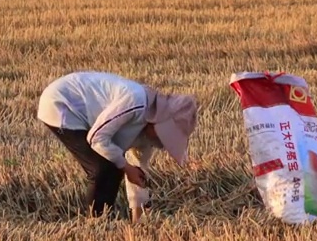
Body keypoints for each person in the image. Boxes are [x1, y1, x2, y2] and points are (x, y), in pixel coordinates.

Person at [38, 71, 198, 219]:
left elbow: (138, 170)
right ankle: (95, 225)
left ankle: (103, 220)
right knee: (102, 167)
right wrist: (126, 167)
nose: (163, 140)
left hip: (88, 118)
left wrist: (138, 219)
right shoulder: (135, 102)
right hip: (63, 103)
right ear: (159, 122)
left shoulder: (149, 136)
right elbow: (96, 137)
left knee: (114, 164)